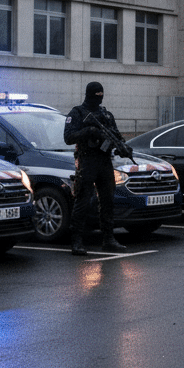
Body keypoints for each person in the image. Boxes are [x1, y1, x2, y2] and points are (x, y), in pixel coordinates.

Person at [63, 81, 129, 255]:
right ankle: (77, 241)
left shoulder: (106, 115)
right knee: (83, 200)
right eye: (96, 95)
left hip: (105, 161)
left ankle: (108, 239)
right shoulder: (78, 113)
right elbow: (68, 137)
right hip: (87, 160)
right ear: (90, 94)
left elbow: (116, 136)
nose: (99, 98)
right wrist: (89, 131)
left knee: (108, 201)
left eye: (101, 94)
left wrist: (123, 148)